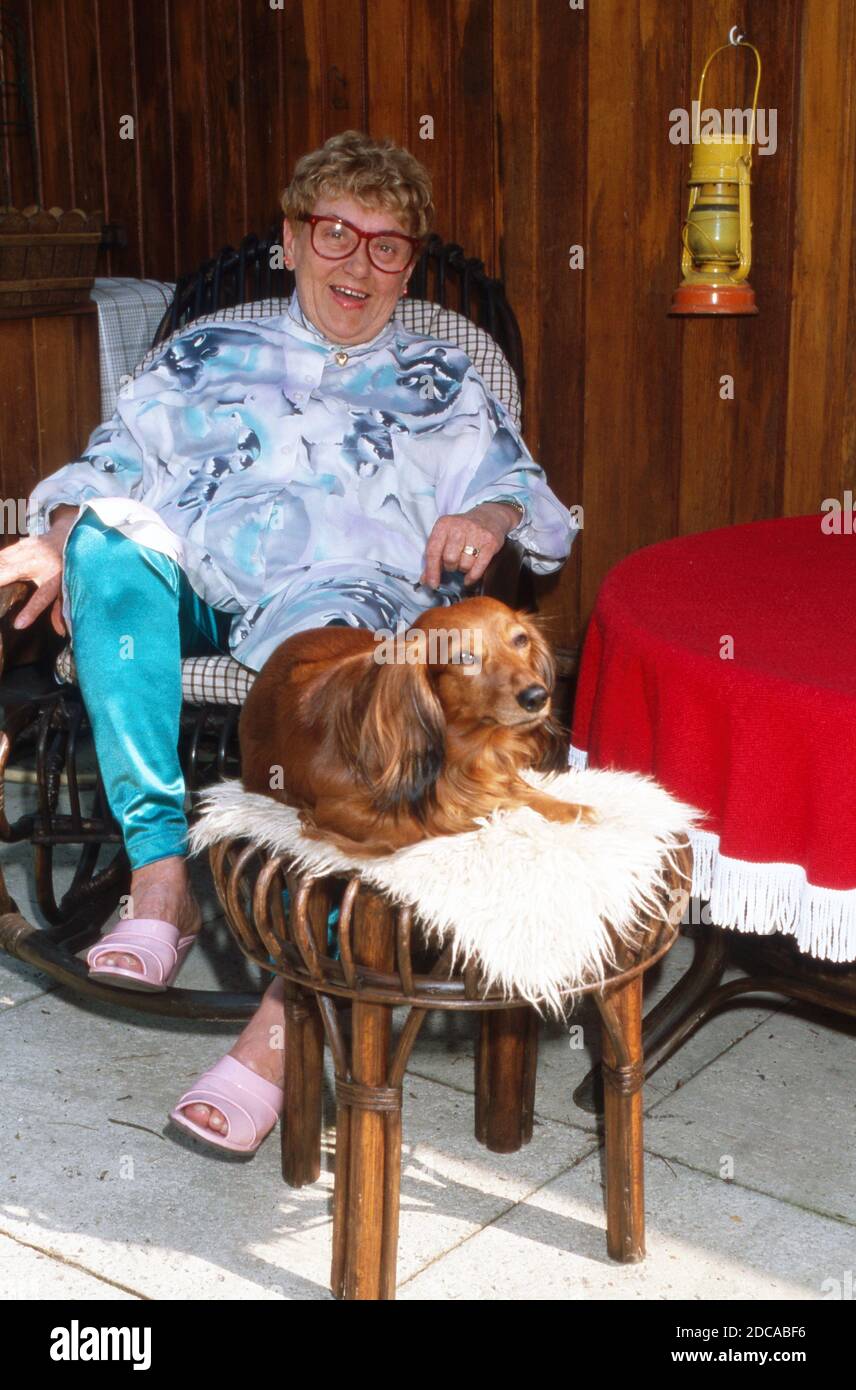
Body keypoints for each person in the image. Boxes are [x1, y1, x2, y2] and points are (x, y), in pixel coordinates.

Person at [3, 131, 577, 1153]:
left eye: (387, 245)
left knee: (336, 670)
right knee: (106, 543)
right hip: (202, 578)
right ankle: (160, 874)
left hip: (342, 610)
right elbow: (113, 458)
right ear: (292, 238)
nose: (358, 264)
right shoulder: (207, 348)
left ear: (411, 258)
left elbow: (528, 496)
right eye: (335, 234)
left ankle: (290, 1013)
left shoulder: (445, 370)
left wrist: (485, 518)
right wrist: (54, 535)